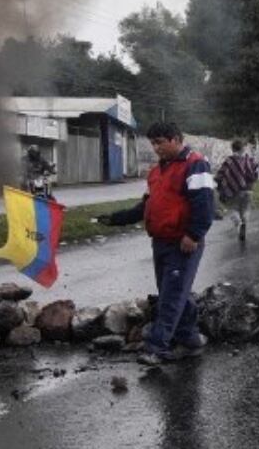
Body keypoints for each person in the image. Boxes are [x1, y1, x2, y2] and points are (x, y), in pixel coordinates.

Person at [96, 122, 215, 366]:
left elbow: (204, 204)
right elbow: (146, 206)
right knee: (174, 292)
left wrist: (193, 235)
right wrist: (117, 218)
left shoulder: (195, 164)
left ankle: (157, 348)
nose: (155, 148)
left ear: (176, 139)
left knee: (171, 296)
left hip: (183, 243)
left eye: (160, 142)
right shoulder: (157, 171)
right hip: (161, 242)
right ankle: (191, 340)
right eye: (153, 143)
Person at [215, 140, 259, 241]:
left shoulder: (229, 161)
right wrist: (252, 181)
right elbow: (255, 171)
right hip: (248, 190)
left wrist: (220, 184)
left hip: (234, 191)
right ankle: (244, 222)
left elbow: (220, 175)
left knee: (233, 209)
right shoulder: (249, 159)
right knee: (246, 209)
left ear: (233, 149)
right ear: (243, 148)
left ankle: (238, 223)